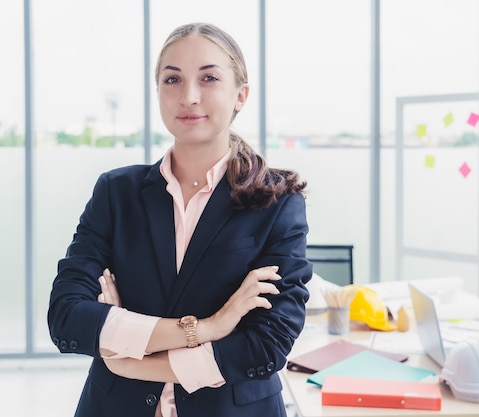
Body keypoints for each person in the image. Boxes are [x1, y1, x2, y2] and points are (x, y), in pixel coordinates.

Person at [47, 22, 312, 417]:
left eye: (209, 78)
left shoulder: (276, 202)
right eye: (172, 79)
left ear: (240, 95)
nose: (189, 96)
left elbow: (267, 343)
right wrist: (209, 327)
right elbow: (67, 317)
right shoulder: (116, 193)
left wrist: (128, 358)